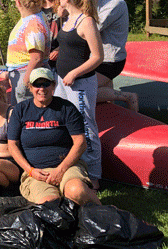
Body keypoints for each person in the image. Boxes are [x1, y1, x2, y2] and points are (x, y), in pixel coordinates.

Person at [6, 67, 100, 206]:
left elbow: (80, 143)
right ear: (30, 87)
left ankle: (107, 216)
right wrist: (30, 171)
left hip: (68, 166)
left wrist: (60, 170)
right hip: (36, 171)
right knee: (50, 204)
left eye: (46, 84)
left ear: (54, 86)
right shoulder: (20, 110)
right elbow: (12, 145)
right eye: (37, 84)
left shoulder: (67, 108)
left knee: (77, 191)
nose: (42, 88)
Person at [54, 0, 104, 188]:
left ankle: (94, 174)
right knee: (64, 124)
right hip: (61, 81)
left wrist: (74, 72)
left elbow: (97, 56)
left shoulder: (86, 21)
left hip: (80, 84)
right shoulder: (67, 18)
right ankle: (72, 166)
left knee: (86, 126)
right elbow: (69, 45)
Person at [92, 0, 138, 111]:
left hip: (110, 60)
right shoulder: (101, 3)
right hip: (100, 57)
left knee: (87, 91)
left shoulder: (116, 4)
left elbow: (94, 27)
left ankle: (128, 97)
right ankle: (128, 121)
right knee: (106, 99)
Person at [5, 0, 51, 104]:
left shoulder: (33, 24)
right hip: (22, 72)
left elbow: (36, 57)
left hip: (28, 73)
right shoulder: (33, 18)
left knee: (26, 116)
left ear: (18, 2)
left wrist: (25, 82)